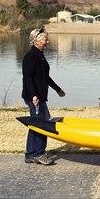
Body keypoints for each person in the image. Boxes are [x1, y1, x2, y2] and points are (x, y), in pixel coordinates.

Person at [22, 28, 66, 165]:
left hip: (39, 95)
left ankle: (30, 154)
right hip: (34, 97)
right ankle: (39, 154)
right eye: (45, 39)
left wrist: (57, 89)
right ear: (37, 40)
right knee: (43, 124)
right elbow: (28, 77)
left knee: (35, 124)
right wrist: (34, 95)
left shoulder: (40, 55)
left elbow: (45, 77)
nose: (47, 42)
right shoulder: (31, 56)